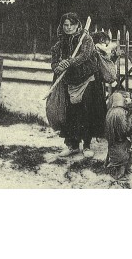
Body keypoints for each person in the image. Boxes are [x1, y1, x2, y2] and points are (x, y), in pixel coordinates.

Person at [51, 13, 106, 158]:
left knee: (86, 112)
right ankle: (73, 145)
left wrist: (69, 62)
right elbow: (54, 63)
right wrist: (59, 66)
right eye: (65, 25)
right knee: (71, 114)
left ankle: (87, 146)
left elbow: (85, 55)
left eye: (71, 25)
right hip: (69, 82)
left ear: (78, 25)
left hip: (87, 80)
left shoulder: (85, 39)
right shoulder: (60, 43)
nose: (68, 28)